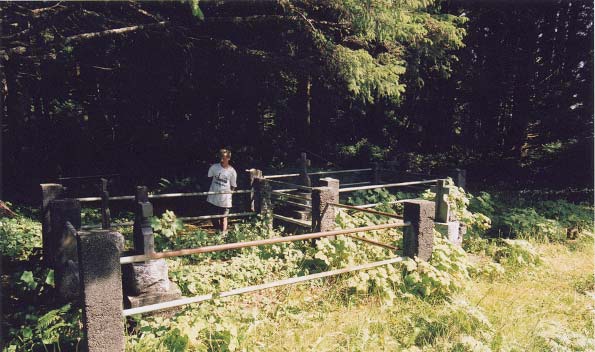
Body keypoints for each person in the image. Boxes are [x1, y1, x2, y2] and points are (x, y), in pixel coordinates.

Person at [206, 149, 237, 233]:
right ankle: (217, 232)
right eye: (221, 157)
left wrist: (229, 195)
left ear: (229, 158)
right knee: (213, 216)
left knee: (223, 217)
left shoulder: (232, 171)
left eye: (224, 157)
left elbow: (233, 186)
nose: (222, 159)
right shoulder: (214, 167)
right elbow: (208, 179)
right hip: (213, 197)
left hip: (225, 199)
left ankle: (223, 234)